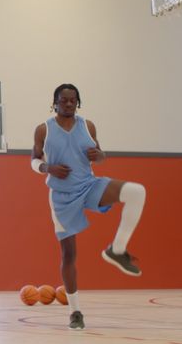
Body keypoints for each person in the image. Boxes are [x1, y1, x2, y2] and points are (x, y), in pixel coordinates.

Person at [31, 84, 146, 330]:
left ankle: (117, 249)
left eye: (73, 100)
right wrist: (47, 168)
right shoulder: (44, 129)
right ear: (55, 102)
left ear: (78, 102)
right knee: (69, 254)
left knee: (137, 191)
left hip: (89, 185)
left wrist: (100, 156)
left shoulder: (88, 126)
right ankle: (75, 312)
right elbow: (34, 159)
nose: (68, 104)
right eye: (64, 100)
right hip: (62, 196)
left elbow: (100, 154)